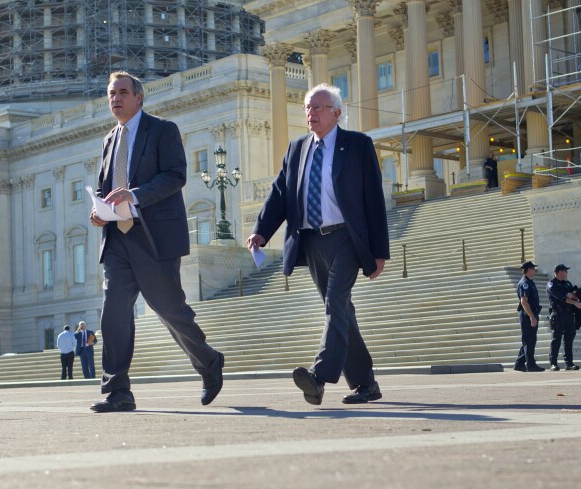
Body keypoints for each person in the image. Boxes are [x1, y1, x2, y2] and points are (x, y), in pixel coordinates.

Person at [88, 71, 224, 413]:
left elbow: (176, 175)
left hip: (153, 236)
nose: (115, 98)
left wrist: (133, 195)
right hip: (117, 238)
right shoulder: (109, 140)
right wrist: (101, 210)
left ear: (139, 97)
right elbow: (107, 188)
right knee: (114, 312)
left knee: (169, 309)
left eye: (122, 92)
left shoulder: (163, 130)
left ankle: (209, 363)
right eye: (110, 93)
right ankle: (117, 390)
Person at [246, 83, 390, 406]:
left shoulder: (357, 145)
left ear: (337, 113)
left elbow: (374, 199)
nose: (311, 113)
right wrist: (261, 232)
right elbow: (280, 194)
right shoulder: (297, 148)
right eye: (308, 107)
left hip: (347, 238)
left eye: (319, 107)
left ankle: (319, 376)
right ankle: (366, 383)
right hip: (311, 242)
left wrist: (380, 249)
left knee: (335, 304)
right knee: (341, 312)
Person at [547, 264, 581, 371]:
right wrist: (574, 302)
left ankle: (569, 363)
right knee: (556, 339)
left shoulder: (567, 283)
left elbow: (575, 295)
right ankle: (553, 363)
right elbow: (562, 298)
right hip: (558, 314)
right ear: (559, 272)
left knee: (569, 339)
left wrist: (574, 295)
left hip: (569, 314)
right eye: (565, 271)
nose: (567, 273)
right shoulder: (552, 284)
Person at [514, 261, 545, 372]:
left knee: (529, 340)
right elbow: (524, 301)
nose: (534, 270)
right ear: (528, 270)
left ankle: (519, 363)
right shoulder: (525, 283)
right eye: (533, 268)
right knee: (529, 340)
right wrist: (531, 316)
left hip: (530, 313)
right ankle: (531, 364)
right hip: (527, 314)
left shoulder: (529, 282)